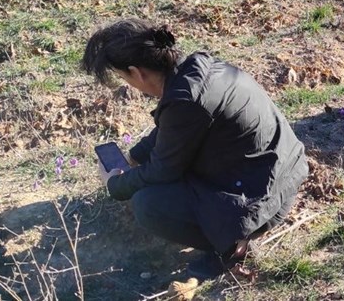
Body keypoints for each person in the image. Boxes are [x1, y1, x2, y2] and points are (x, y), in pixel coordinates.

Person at [81, 18, 308, 280]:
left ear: (137, 72)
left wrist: (115, 185)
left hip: (262, 203)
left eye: (123, 77)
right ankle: (234, 230)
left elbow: (162, 171)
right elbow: (171, 132)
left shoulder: (185, 102)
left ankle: (231, 245)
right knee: (166, 178)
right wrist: (133, 157)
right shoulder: (198, 68)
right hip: (284, 174)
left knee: (148, 204)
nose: (127, 83)